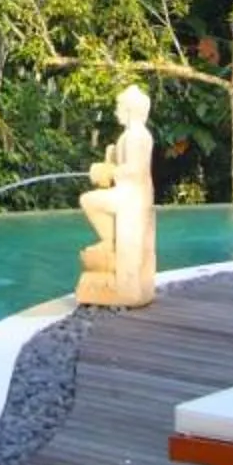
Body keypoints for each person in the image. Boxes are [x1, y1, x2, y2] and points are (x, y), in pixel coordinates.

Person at [77, 84, 158, 306]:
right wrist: (110, 160)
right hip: (131, 192)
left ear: (130, 110)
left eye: (119, 107)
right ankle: (110, 242)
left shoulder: (135, 136)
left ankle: (109, 241)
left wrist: (109, 171)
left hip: (132, 196)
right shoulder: (132, 135)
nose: (116, 111)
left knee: (89, 201)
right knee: (91, 200)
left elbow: (135, 170)